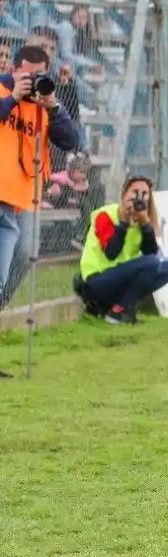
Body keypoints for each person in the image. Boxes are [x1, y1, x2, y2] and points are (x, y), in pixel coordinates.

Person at [0, 45, 82, 376]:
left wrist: (53, 105)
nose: (33, 80)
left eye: (39, 74)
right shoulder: (4, 89)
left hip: (27, 195)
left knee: (26, 254)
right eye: (27, 74)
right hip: (2, 194)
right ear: (14, 68)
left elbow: (72, 141)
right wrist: (14, 98)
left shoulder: (44, 102)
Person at [77, 176, 168, 325]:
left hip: (121, 276)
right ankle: (118, 312)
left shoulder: (142, 220)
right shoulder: (105, 215)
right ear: (124, 194)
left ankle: (120, 307)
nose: (139, 198)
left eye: (144, 194)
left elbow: (150, 253)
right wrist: (123, 223)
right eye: (135, 192)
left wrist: (145, 225)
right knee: (151, 263)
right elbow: (111, 253)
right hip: (97, 279)